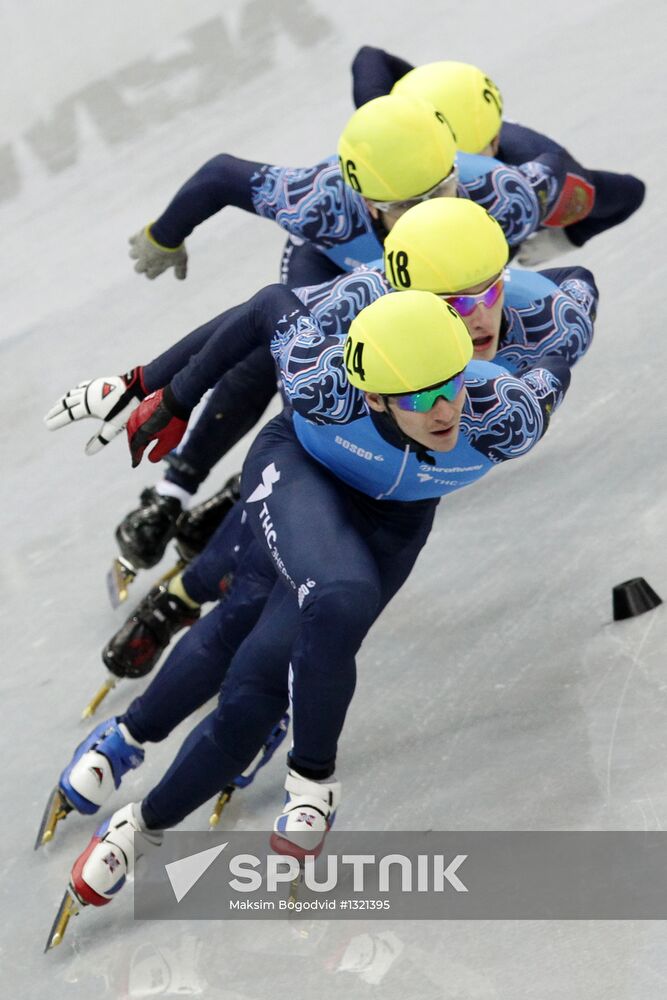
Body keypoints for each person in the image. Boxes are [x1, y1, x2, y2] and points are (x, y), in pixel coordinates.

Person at [57, 285, 572, 917]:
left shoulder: (506, 415)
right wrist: (162, 391)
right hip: (302, 471)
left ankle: (140, 826)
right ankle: (307, 779)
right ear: (375, 394)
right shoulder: (322, 380)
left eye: (452, 385)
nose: (444, 411)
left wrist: (548, 303)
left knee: (258, 685)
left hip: (392, 524)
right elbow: (266, 303)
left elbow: (569, 320)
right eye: (419, 396)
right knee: (320, 594)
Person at [103, 89, 565, 578]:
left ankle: (242, 497)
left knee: (374, 393)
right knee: (283, 356)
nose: (423, 215)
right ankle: (173, 492)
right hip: (333, 272)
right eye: (405, 205)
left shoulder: (502, 195)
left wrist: (567, 234)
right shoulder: (321, 200)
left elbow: (577, 177)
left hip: (418, 296)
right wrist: (164, 235)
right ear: (363, 200)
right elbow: (220, 175)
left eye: (441, 192)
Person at [350, 47, 645, 264]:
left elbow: (630, 193)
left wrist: (566, 238)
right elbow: (370, 57)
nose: (437, 182)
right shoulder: (389, 123)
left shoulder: (546, 182)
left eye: (463, 164)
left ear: (496, 142)